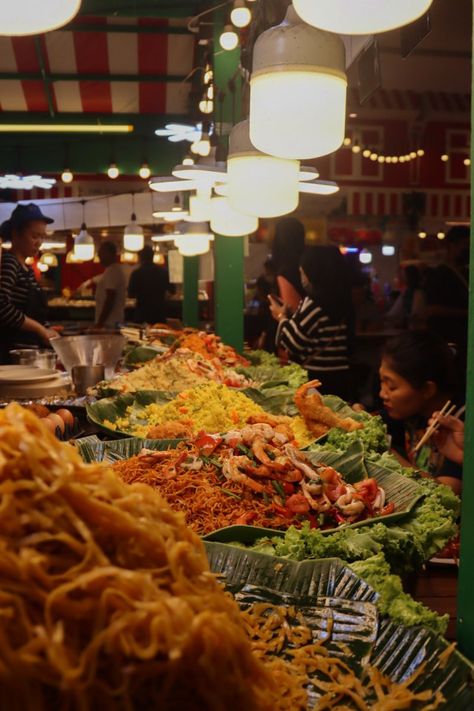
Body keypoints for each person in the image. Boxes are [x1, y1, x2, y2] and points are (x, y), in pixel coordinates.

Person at [379, 330, 462, 493]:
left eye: (392, 386)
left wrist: (388, 454)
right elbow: (371, 420)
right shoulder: (409, 410)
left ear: (427, 390)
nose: (382, 393)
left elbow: (447, 493)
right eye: (381, 382)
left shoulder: (458, 425)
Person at [270, 245, 354, 399]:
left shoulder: (314, 302)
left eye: (303, 273)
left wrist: (281, 317)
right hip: (341, 377)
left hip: (317, 380)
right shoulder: (344, 301)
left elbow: (294, 343)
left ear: (315, 273)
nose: (302, 278)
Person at [0, 203, 57, 363]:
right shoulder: (9, 262)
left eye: (42, 237)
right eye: (34, 236)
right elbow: (2, 306)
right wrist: (40, 329)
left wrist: (48, 330)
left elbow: (34, 313)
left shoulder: (28, 269)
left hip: (29, 354)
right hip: (11, 356)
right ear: (15, 234)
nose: (39, 242)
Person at [426, 225, 469, 348]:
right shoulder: (439, 274)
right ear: (451, 245)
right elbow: (432, 309)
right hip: (447, 339)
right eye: (466, 244)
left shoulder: (466, 273)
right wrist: (467, 313)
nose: (468, 249)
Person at [271, 217, 306, 314]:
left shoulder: (286, 271)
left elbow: (293, 313)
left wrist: (279, 316)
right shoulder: (305, 265)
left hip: (289, 327)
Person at [128, 245, 170, 324]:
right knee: (159, 334)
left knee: (141, 334)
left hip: (142, 313)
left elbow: (131, 294)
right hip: (159, 313)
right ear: (152, 256)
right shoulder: (163, 272)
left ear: (140, 258)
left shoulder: (137, 273)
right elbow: (172, 291)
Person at [94, 241, 126, 329]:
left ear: (110, 254)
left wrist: (100, 323)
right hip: (114, 322)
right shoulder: (116, 269)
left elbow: (110, 299)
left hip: (109, 323)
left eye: (101, 253)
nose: (99, 256)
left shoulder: (111, 271)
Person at [386, 265, 427, 330]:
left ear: (410, 277)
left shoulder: (418, 293)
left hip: (418, 330)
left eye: (404, 275)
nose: (401, 277)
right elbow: (394, 312)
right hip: (411, 328)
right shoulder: (407, 292)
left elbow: (417, 314)